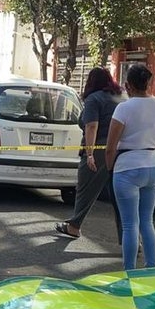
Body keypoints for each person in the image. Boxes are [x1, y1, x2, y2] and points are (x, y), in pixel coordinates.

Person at [104, 64, 155, 270]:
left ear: (127, 85)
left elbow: (110, 146)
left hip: (127, 168)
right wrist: (152, 157)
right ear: (148, 83)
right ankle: (151, 268)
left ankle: (129, 272)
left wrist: (110, 169)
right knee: (147, 221)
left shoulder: (123, 108)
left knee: (129, 224)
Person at [55, 68, 124, 240]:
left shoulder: (94, 99)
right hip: (121, 151)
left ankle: (74, 226)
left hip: (99, 150)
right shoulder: (122, 97)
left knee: (85, 190)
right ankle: (129, 239)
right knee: (121, 199)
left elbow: (91, 126)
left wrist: (90, 153)